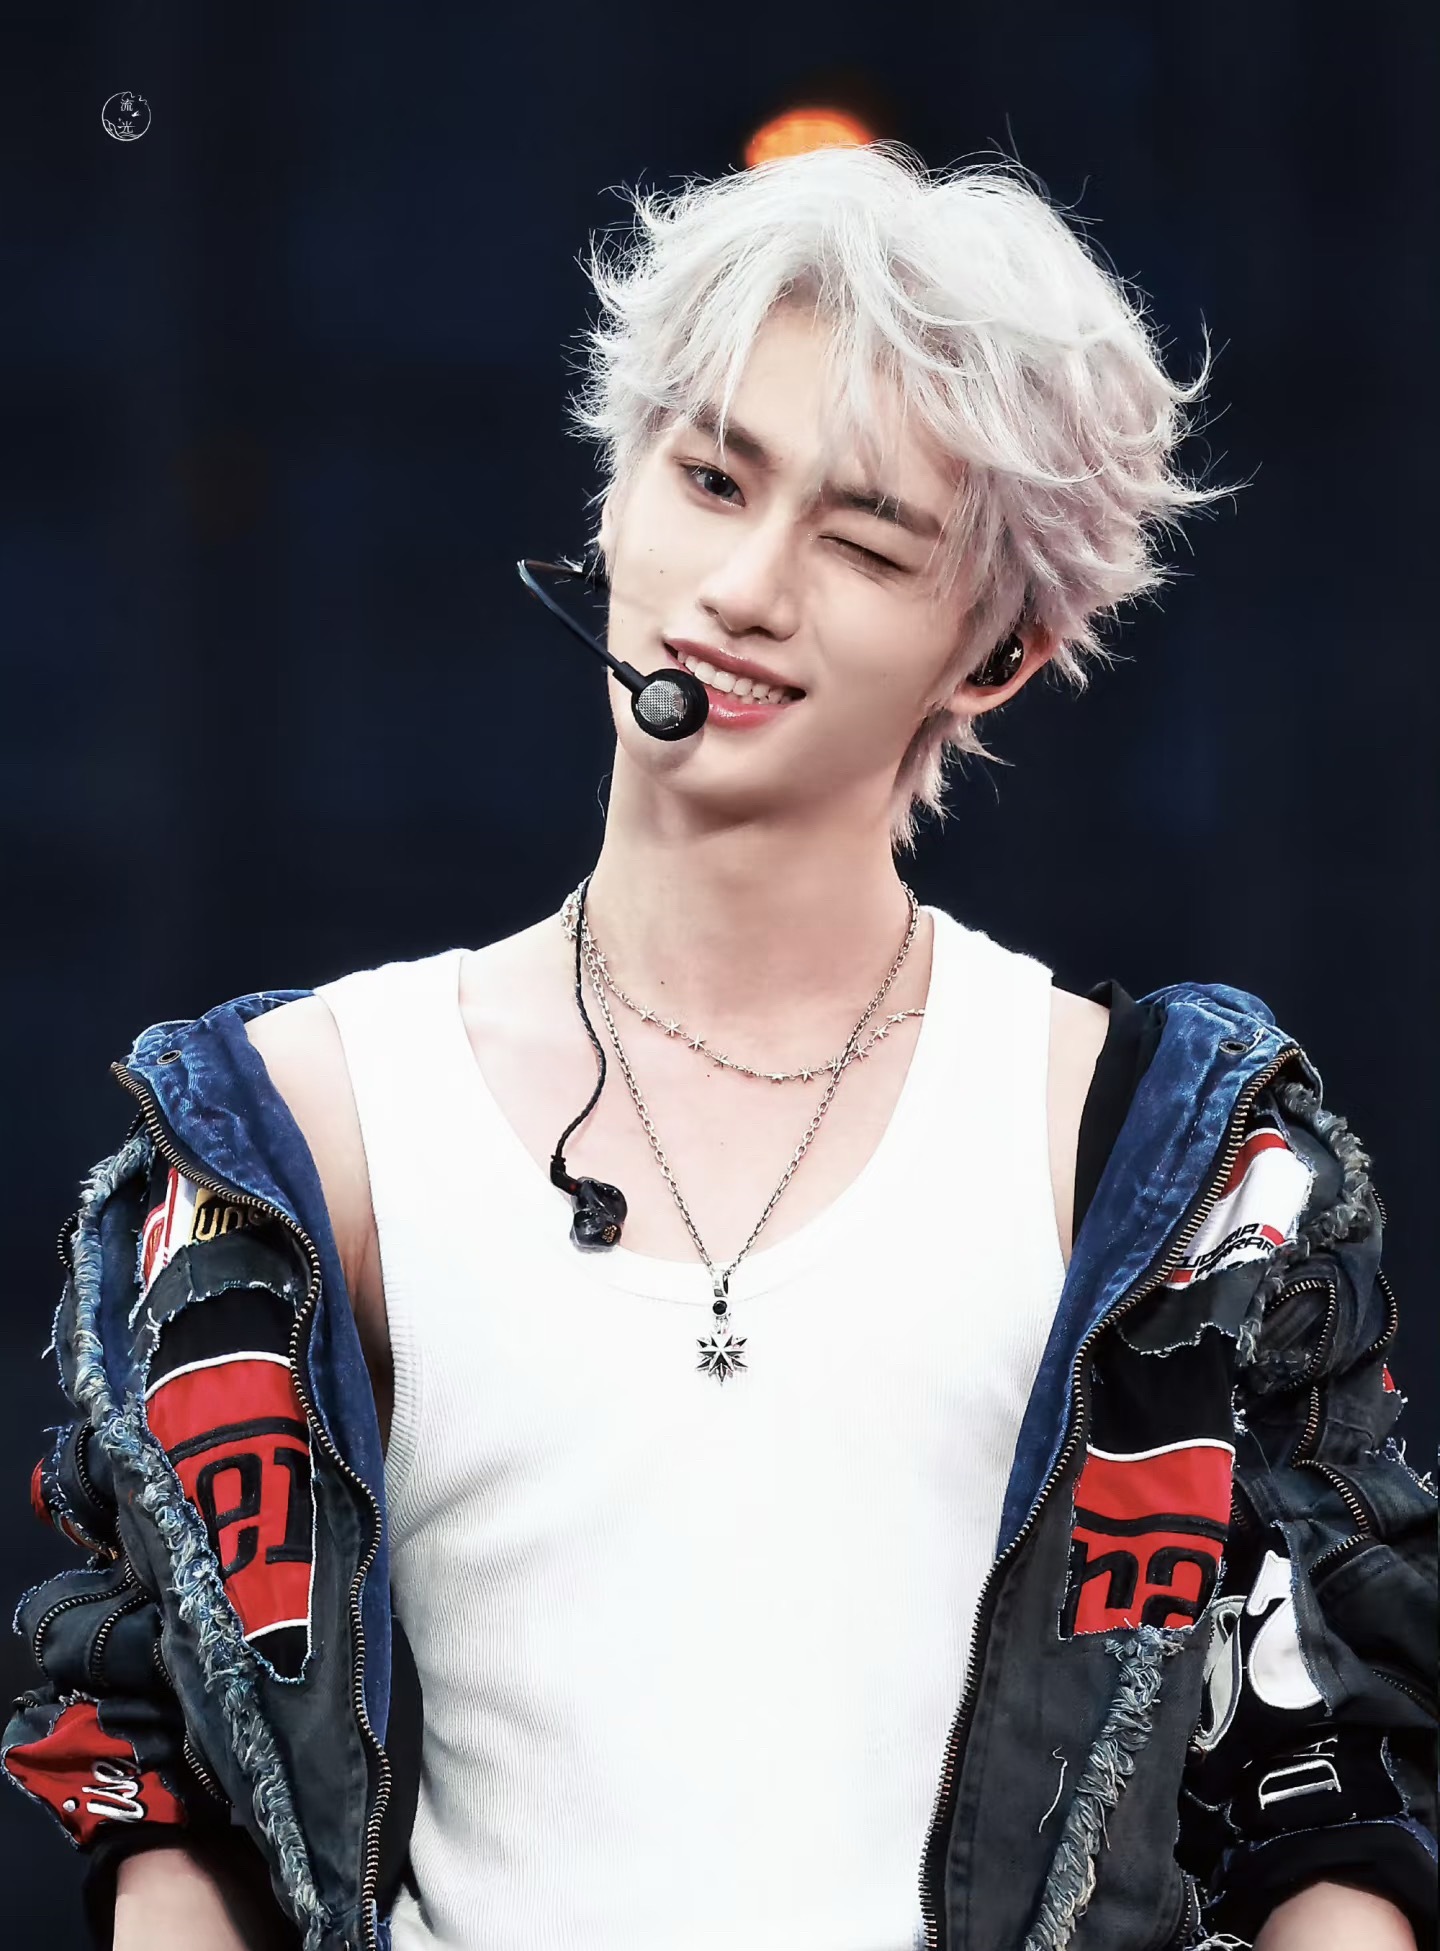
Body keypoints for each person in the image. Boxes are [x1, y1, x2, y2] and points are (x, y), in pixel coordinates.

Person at [4, 143, 1434, 1951]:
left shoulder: (1148, 1156)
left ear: (998, 652)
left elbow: (1324, 1780)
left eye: (864, 542)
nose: (747, 587)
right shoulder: (316, 1118)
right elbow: (167, 1756)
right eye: (709, 479)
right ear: (616, 491)